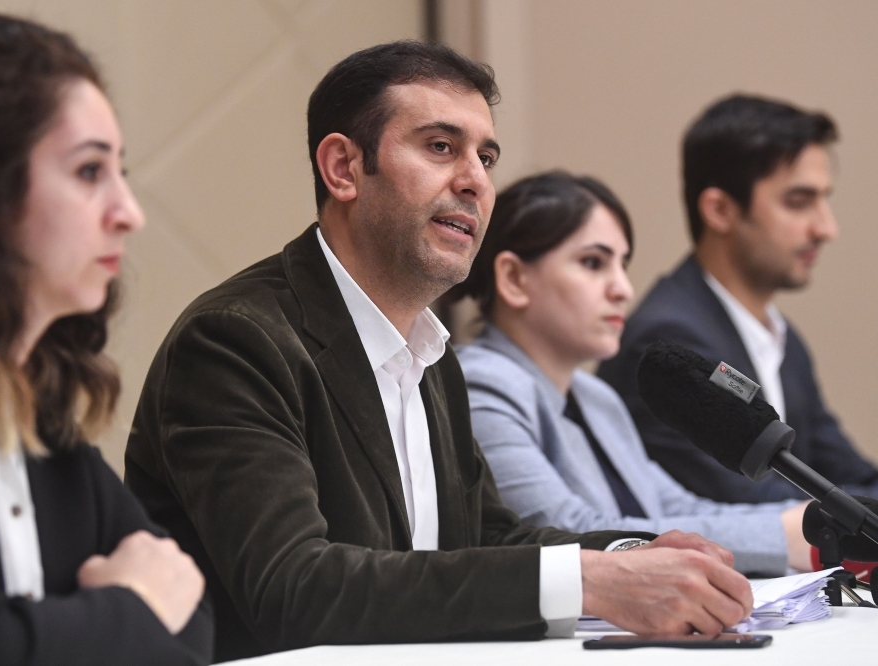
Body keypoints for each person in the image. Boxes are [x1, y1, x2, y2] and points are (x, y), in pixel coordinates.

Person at [126, 41, 753, 662]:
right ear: (343, 168)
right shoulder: (236, 342)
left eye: (486, 157)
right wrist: (590, 583)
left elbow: (485, 537)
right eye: (440, 147)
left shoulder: (428, 352)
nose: (476, 182)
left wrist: (634, 557)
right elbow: (295, 588)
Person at [0, 15, 213, 665]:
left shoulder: (44, 421)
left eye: (120, 171)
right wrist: (131, 607)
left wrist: (77, 627)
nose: (129, 212)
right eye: (89, 172)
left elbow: (192, 618)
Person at [453, 171, 810, 576]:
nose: (623, 287)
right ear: (514, 279)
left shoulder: (595, 396)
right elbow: (565, 531)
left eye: (623, 265)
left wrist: (810, 518)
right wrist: (780, 537)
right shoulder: (481, 384)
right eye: (593, 263)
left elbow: (677, 508)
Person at [598, 94, 878, 504]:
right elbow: (747, 500)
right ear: (720, 210)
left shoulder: (784, 339)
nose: (826, 227)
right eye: (799, 202)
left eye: (824, 199)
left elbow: (842, 469)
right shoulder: (669, 338)